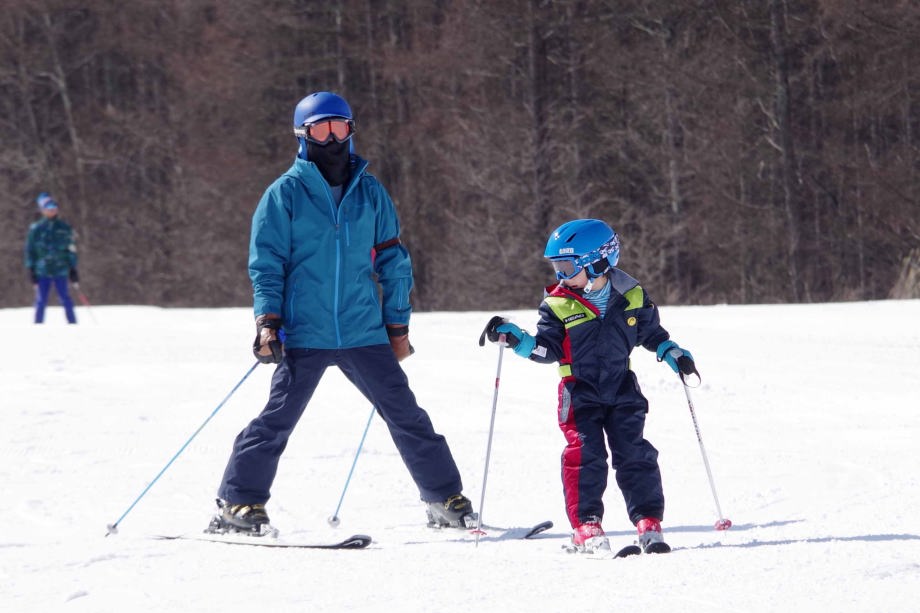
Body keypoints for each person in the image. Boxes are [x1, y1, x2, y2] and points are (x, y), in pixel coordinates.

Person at [212, 91, 475, 535]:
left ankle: (443, 497)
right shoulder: (284, 195)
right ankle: (238, 502)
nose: (332, 139)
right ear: (303, 136)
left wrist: (397, 325)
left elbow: (393, 262)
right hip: (304, 333)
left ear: (351, 131)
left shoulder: (370, 193)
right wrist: (267, 322)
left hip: (362, 330)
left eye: (340, 128)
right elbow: (267, 266)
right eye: (321, 130)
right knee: (276, 420)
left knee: (407, 416)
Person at [481, 218, 698, 555]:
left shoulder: (632, 295)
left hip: (622, 387)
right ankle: (586, 524)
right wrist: (519, 341)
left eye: (567, 268)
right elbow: (547, 349)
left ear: (598, 262)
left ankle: (648, 521)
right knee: (585, 455)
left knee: (634, 452)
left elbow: (651, 333)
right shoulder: (557, 304)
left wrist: (671, 352)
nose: (561, 277)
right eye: (556, 268)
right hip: (578, 391)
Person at [24, 192, 79, 324]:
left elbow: (71, 249)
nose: (51, 211)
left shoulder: (64, 228)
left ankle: (73, 324)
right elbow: (30, 250)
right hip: (42, 270)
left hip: (61, 269)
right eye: (48, 208)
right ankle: (38, 325)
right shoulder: (36, 229)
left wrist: (73, 268)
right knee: (41, 300)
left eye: (54, 208)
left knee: (65, 298)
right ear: (43, 210)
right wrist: (31, 269)